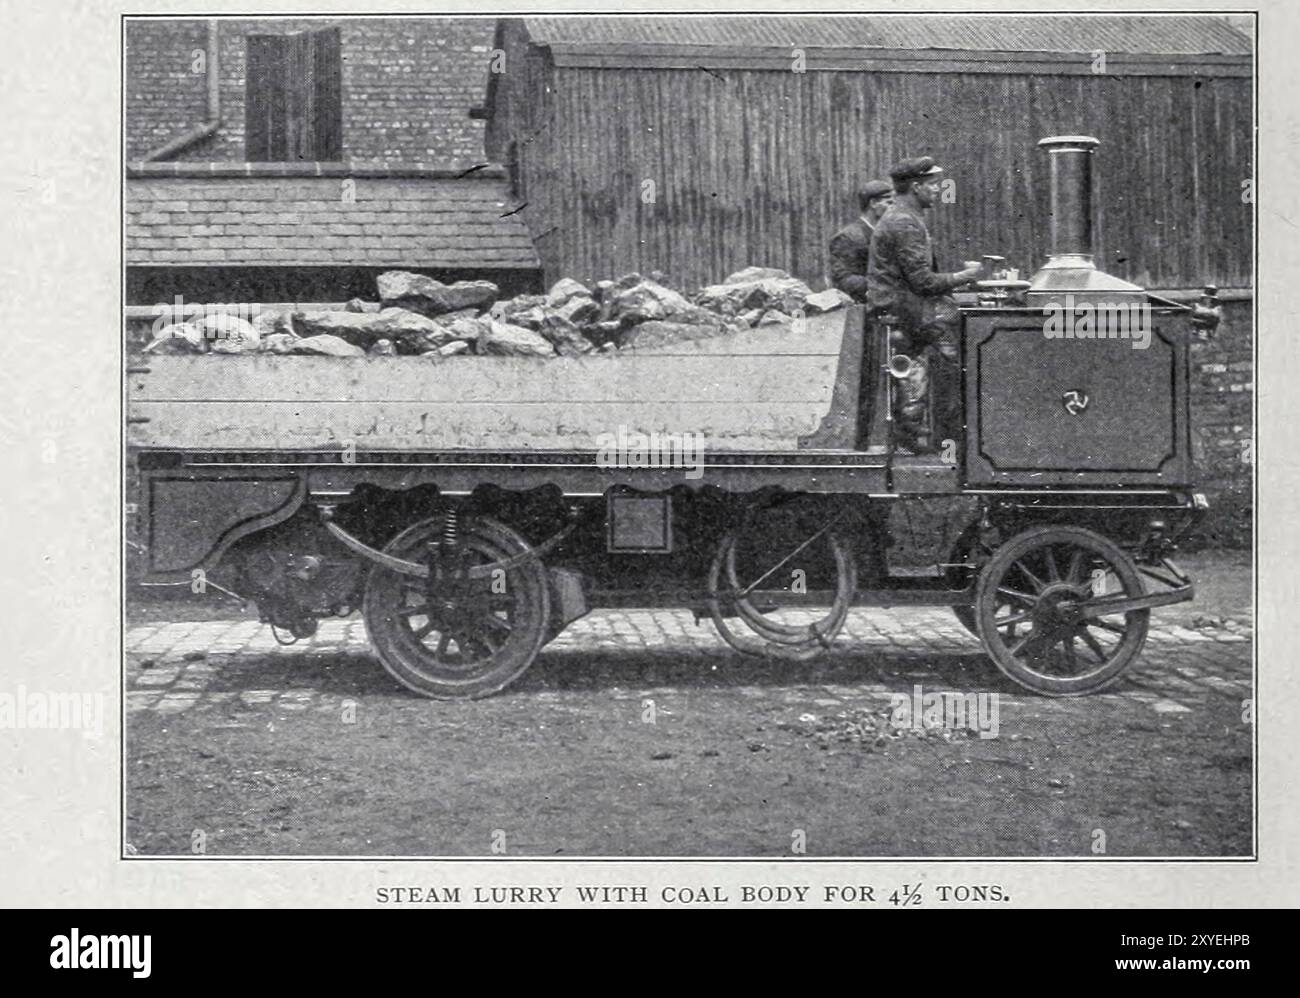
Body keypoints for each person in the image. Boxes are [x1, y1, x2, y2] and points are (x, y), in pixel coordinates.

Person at [867, 156, 982, 454]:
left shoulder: (903, 217)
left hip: (906, 306)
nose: (938, 190)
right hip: (906, 310)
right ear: (916, 187)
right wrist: (964, 276)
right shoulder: (905, 222)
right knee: (961, 344)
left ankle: (936, 434)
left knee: (955, 323)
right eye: (933, 185)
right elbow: (923, 283)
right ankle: (949, 440)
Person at [828, 180, 894, 302]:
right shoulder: (847, 237)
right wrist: (885, 286)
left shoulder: (890, 234)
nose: (894, 208)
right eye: (889, 203)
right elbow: (845, 280)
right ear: (873, 203)